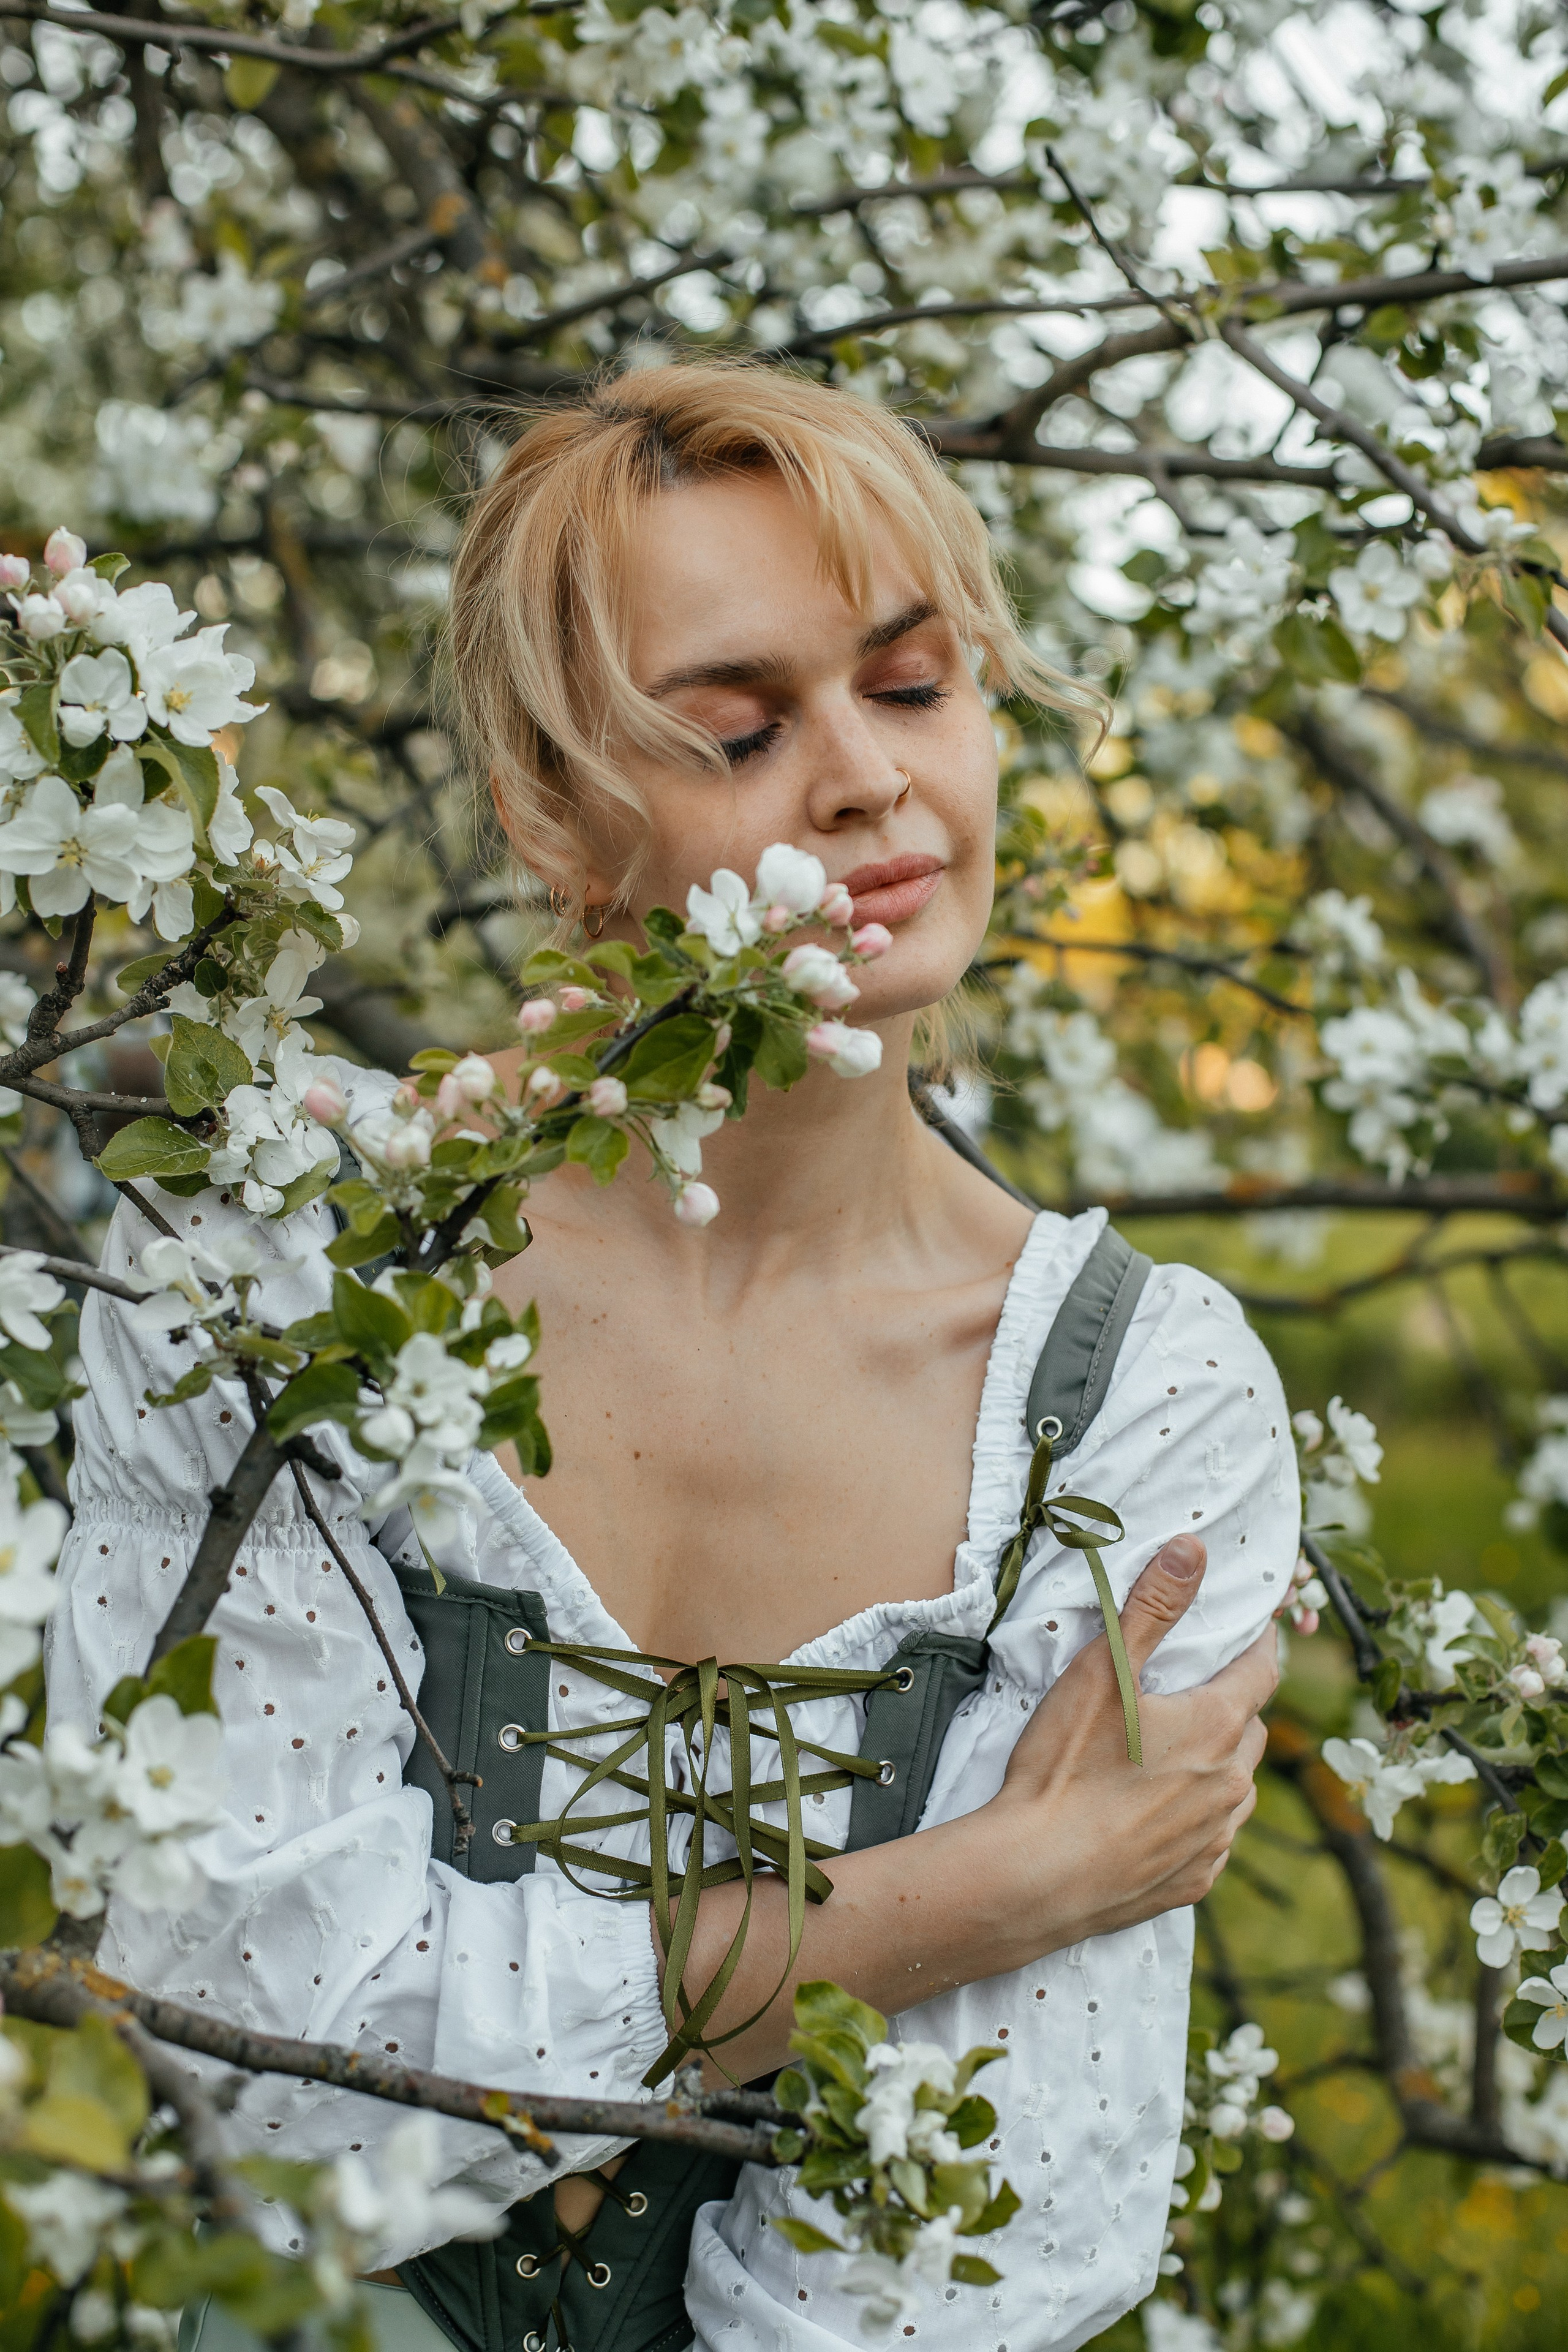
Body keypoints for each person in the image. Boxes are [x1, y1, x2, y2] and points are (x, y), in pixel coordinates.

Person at [47, 362, 1292, 2352]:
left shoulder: (1145, 1406)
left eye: (912, 687)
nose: (870, 781)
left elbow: (979, 2241)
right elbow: (261, 2055)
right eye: (737, 726)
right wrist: (969, 1897)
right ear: (557, 812)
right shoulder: (273, 1254)